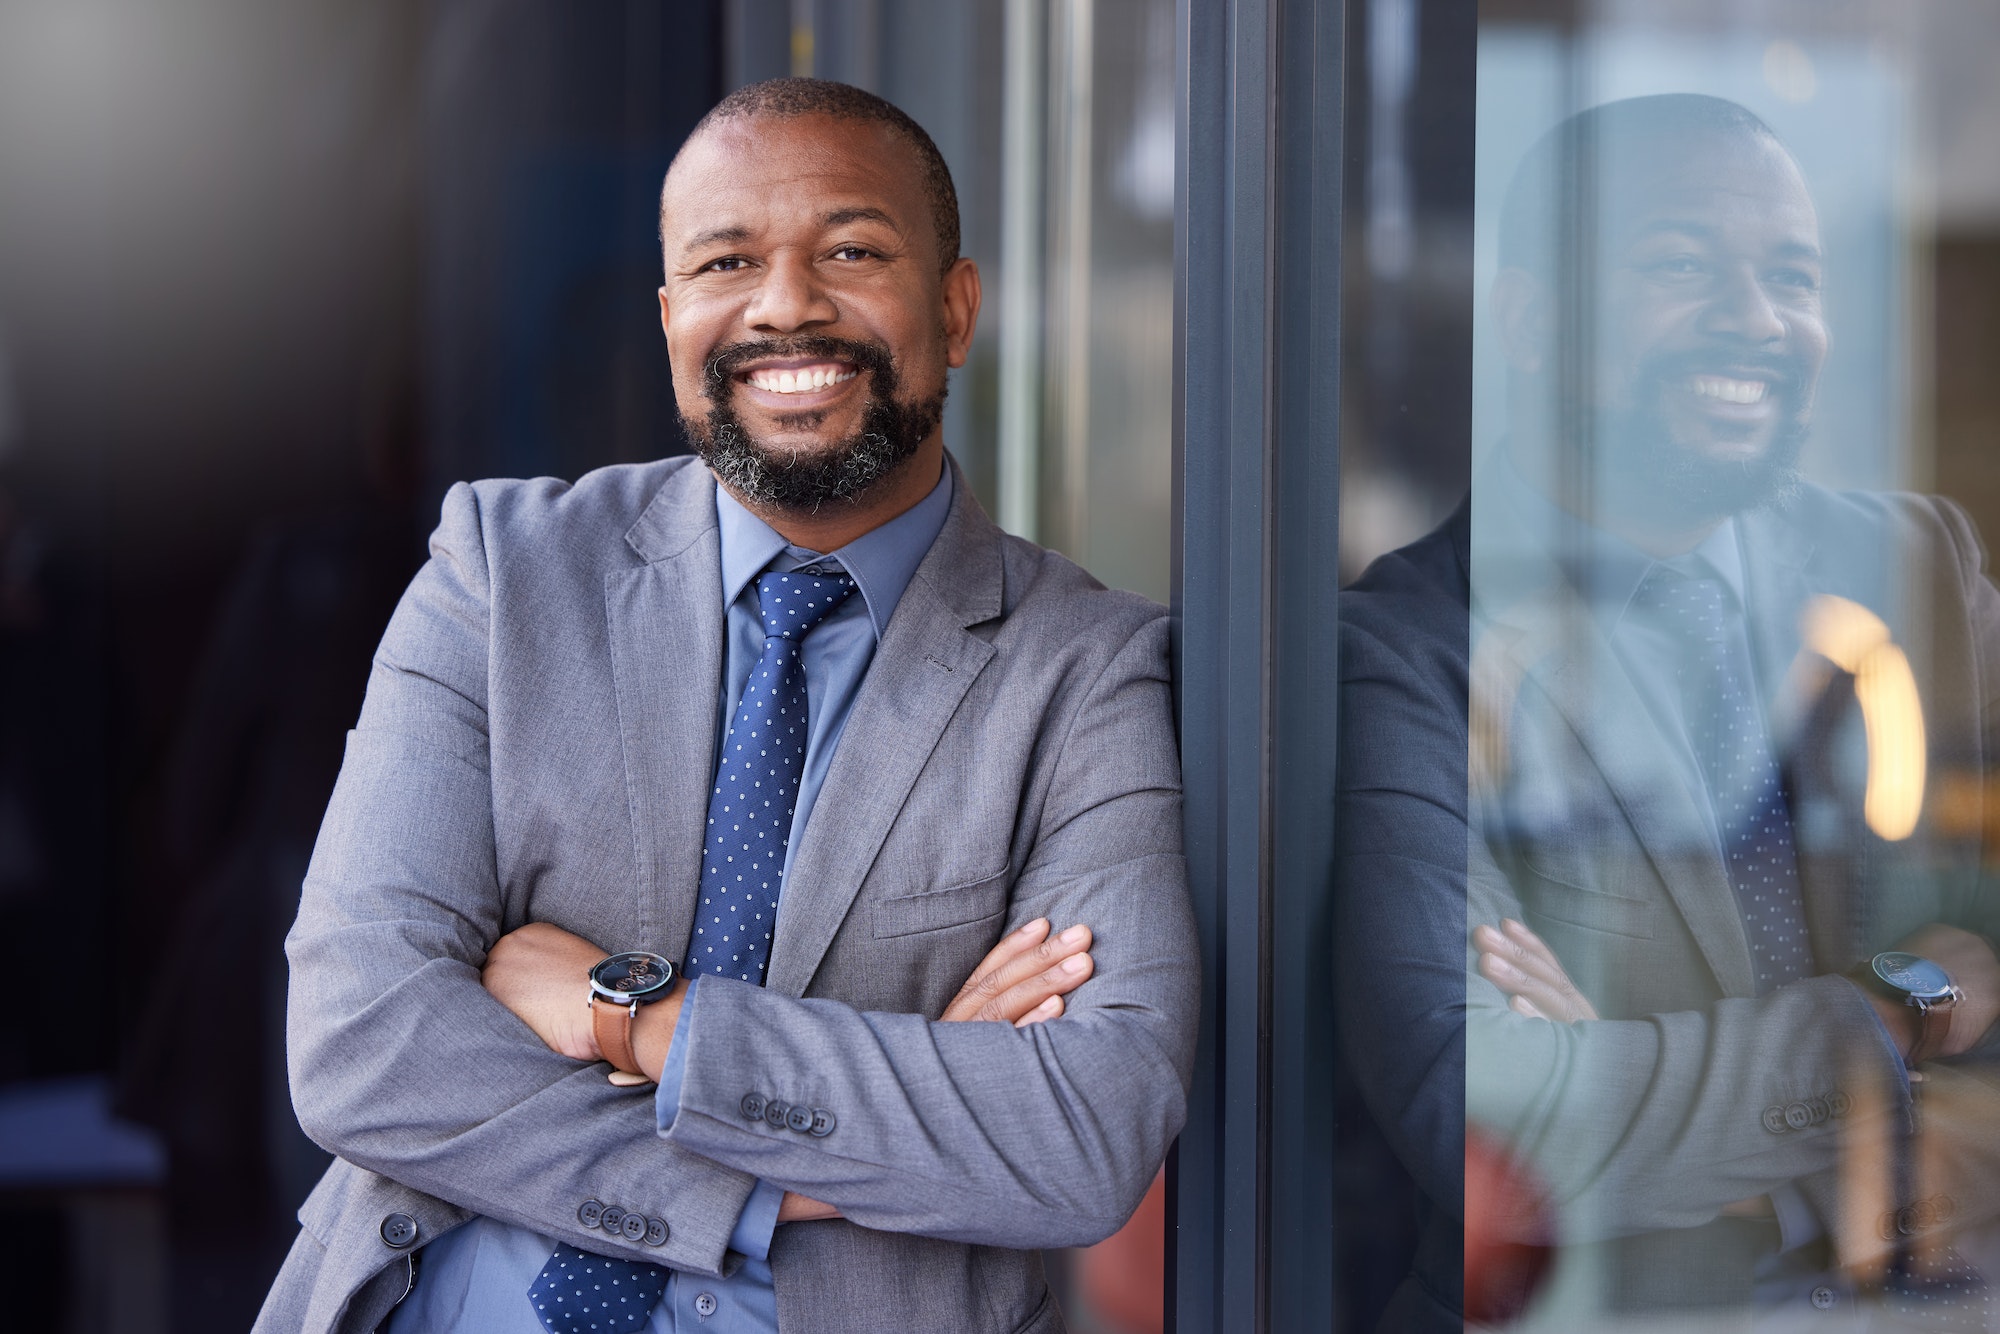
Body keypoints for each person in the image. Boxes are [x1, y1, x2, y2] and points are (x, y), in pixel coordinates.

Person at [255, 78, 1197, 1334]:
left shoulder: (1086, 668)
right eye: (725, 260)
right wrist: (807, 1168)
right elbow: (360, 1041)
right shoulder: (500, 572)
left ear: (955, 307)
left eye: (851, 250)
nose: (785, 303)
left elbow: (1081, 1130)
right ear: (669, 316)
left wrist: (633, 1012)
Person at [1337, 93, 2000, 1330]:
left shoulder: (1912, 568)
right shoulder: (1401, 655)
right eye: (1681, 266)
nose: (1754, 321)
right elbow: (1490, 1118)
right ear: (1531, 321)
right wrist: (1895, 1008)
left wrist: (1645, 1086)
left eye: (1790, 277)